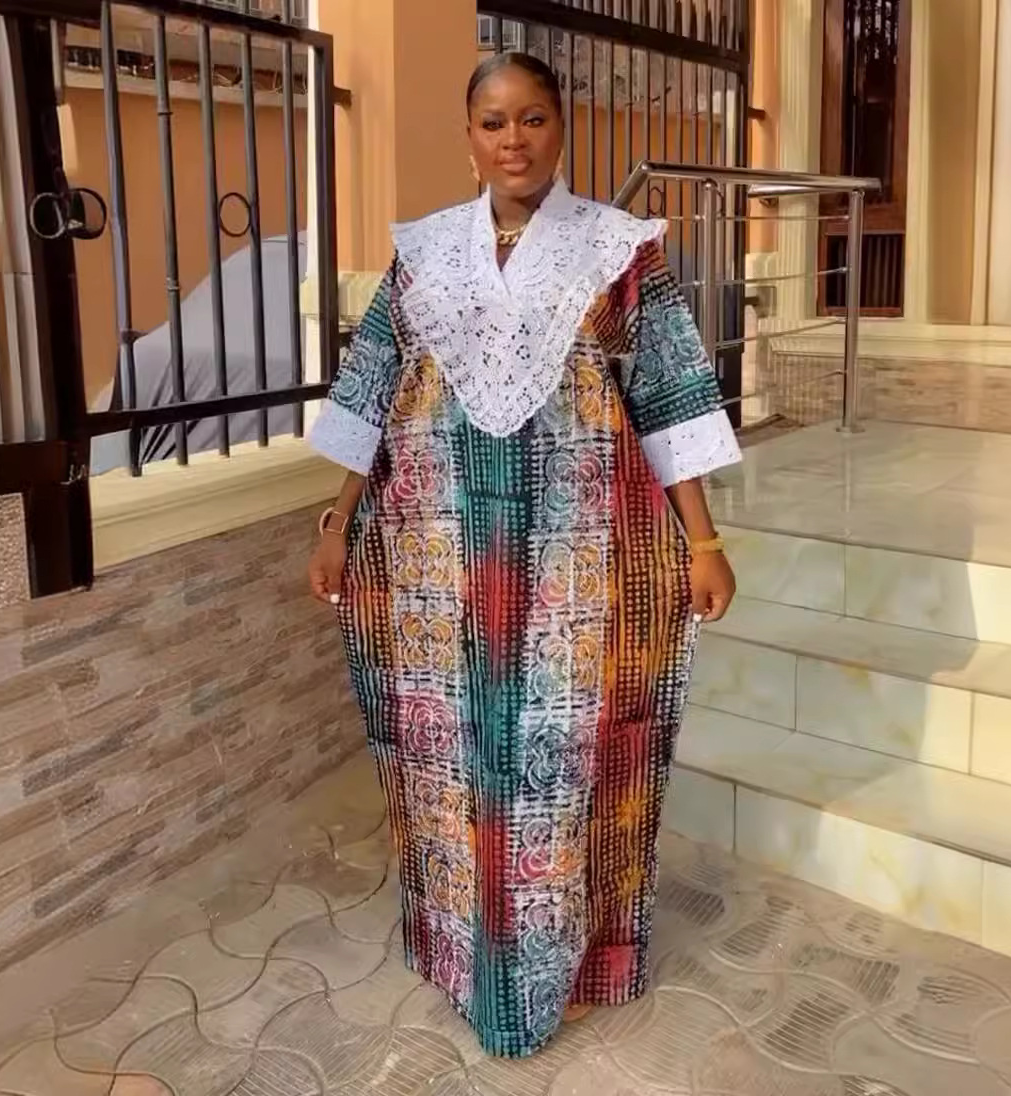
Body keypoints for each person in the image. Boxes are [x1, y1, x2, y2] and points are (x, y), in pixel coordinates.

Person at [307, 52, 740, 1059]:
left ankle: (567, 968)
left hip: (579, 560)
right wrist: (336, 522)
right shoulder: (423, 255)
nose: (514, 139)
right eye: (494, 121)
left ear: (560, 128)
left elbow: (670, 395)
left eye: (533, 118)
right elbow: (372, 389)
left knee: (565, 763)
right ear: (469, 137)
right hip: (435, 557)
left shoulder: (619, 251)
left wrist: (704, 541)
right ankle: (464, 957)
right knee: (448, 759)